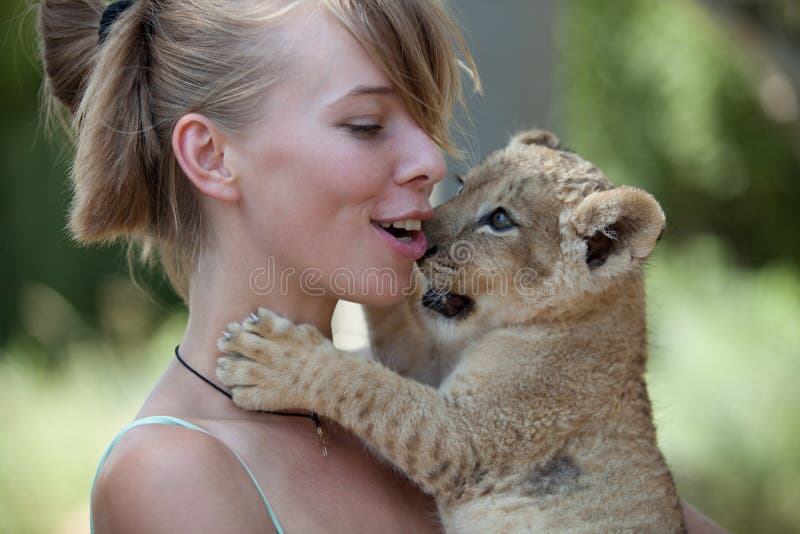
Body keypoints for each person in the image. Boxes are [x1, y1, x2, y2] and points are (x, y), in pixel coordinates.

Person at [37, 0, 726, 532]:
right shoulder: (177, 473)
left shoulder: (441, 402)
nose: (432, 160)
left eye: (425, 117)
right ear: (213, 158)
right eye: (366, 125)